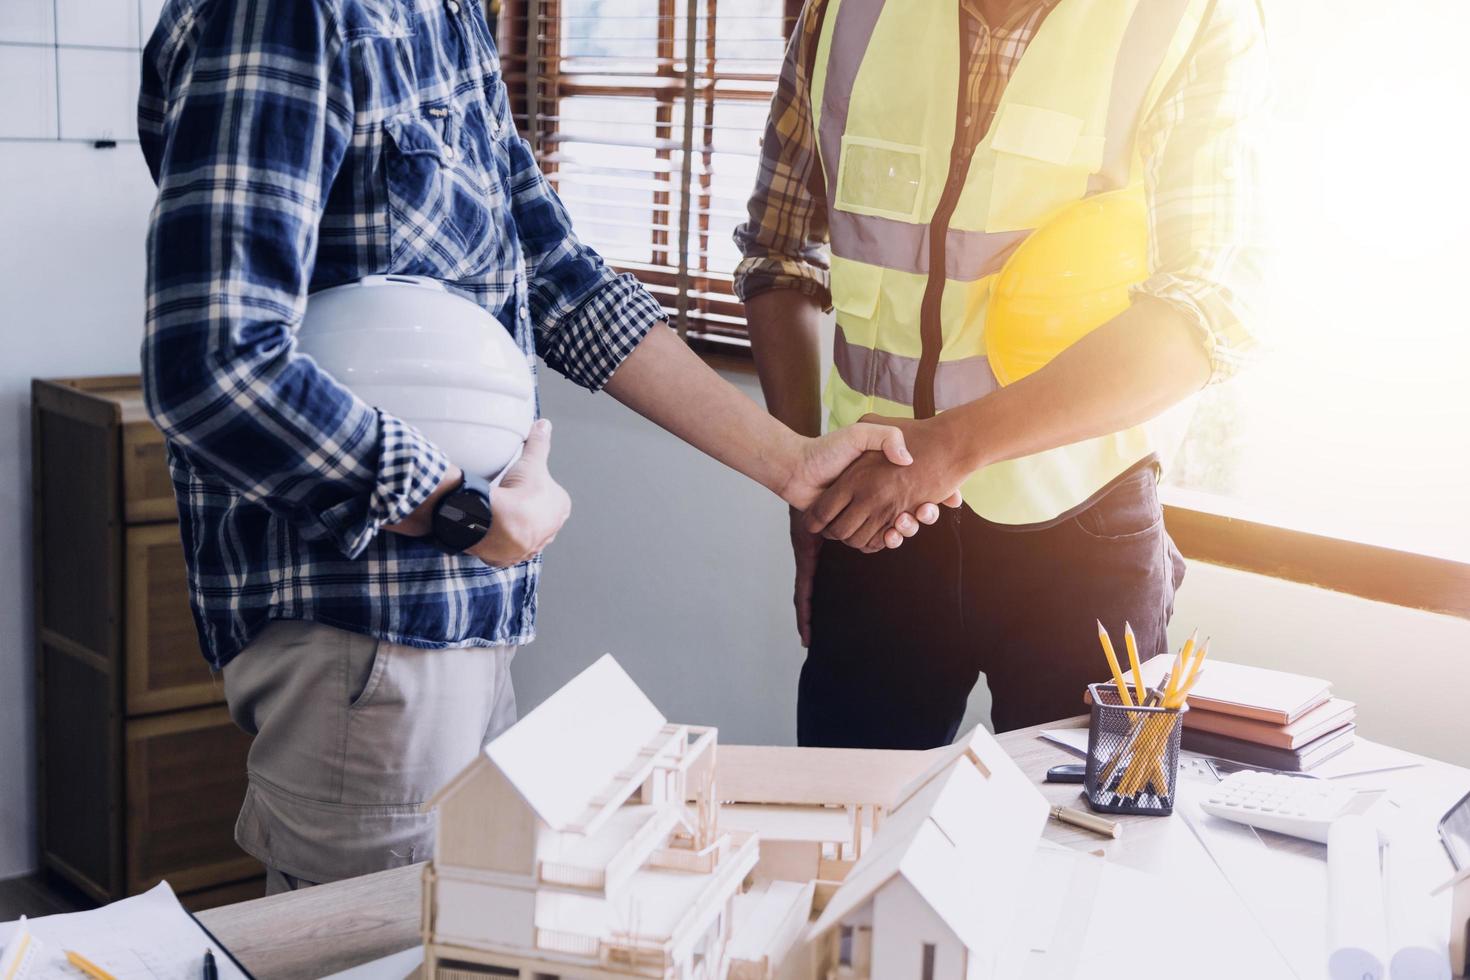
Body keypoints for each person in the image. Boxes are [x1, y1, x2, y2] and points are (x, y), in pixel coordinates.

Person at [137, 0, 946, 894]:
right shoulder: (290, 14)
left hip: (467, 608)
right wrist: (460, 510)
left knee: (465, 928)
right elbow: (210, 363)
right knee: (375, 948)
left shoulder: (444, 17)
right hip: (364, 624)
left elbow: (561, 277)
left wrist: (792, 462)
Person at [735, 0, 1268, 747]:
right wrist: (802, 476)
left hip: (1084, 531)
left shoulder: (1185, 17)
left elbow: (1207, 310)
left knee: (1093, 842)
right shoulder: (845, 14)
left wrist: (950, 447)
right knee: (849, 836)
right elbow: (778, 256)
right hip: (874, 521)